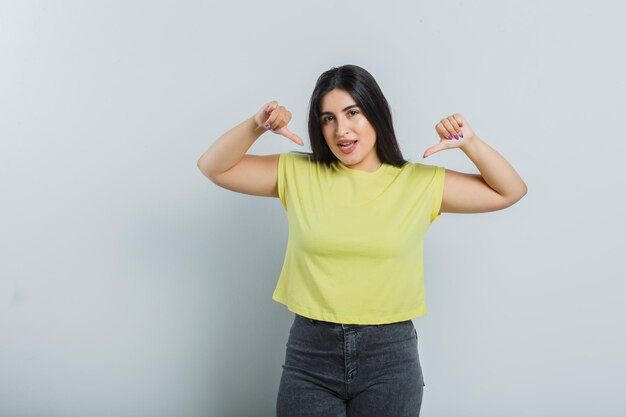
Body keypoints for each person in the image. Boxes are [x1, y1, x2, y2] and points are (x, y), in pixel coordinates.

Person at [197, 64, 527, 417]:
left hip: (389, 359)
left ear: (375, 112)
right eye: (328, 118)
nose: (341, 129)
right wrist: (256, 125)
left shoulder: (418, 183)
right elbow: (213, 167)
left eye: (352, 112)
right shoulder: (298, 172)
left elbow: (510, 191)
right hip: (310, 355)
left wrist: (470, 144)